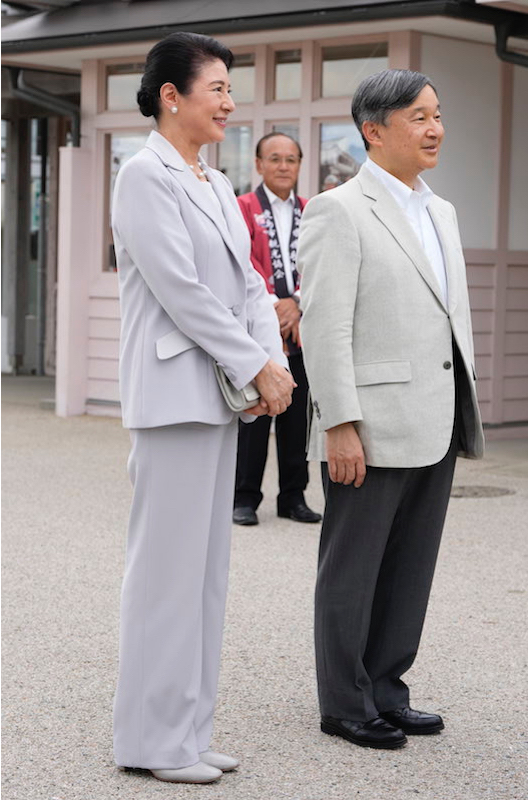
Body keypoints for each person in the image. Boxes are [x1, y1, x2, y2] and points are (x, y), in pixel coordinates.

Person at [111, 32, 294, 785]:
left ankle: (188, 730)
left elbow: (250, 287)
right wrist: (252, 363)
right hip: (173, 398)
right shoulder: (142, 176)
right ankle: (150, 742)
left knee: (207, 575)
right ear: (171, 96)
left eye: (229, 87)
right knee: (165, 575)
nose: (229, 100)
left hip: (219, 398)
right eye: (216, 87)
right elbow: (181, 291)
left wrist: (272, 363)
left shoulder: (216, 183)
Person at [298, 69, 484, 750]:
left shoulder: (442, 212)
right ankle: (343, 702)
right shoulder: (338, 209)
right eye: (418, 117)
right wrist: (340, 423)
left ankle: (386, 688)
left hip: (435, 417)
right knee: (352, 568)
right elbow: (323, 324)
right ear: (374, 130)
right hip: (369, 428)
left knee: (410, 567)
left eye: (437, 115)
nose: (434, 128)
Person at [233, 133, 322, 526]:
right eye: (275, 158)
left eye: (291, 159)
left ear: (300, 165)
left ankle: (293, 497)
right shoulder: (242, 207)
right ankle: (244, 497)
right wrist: (275, 306)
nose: (283, 166)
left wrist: (298, 302)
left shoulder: (314, 210)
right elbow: (241, 262)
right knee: (256, 414)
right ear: (259, 164)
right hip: (260, 329)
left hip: (303, 326)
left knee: (297, 416)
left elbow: (322, 262)